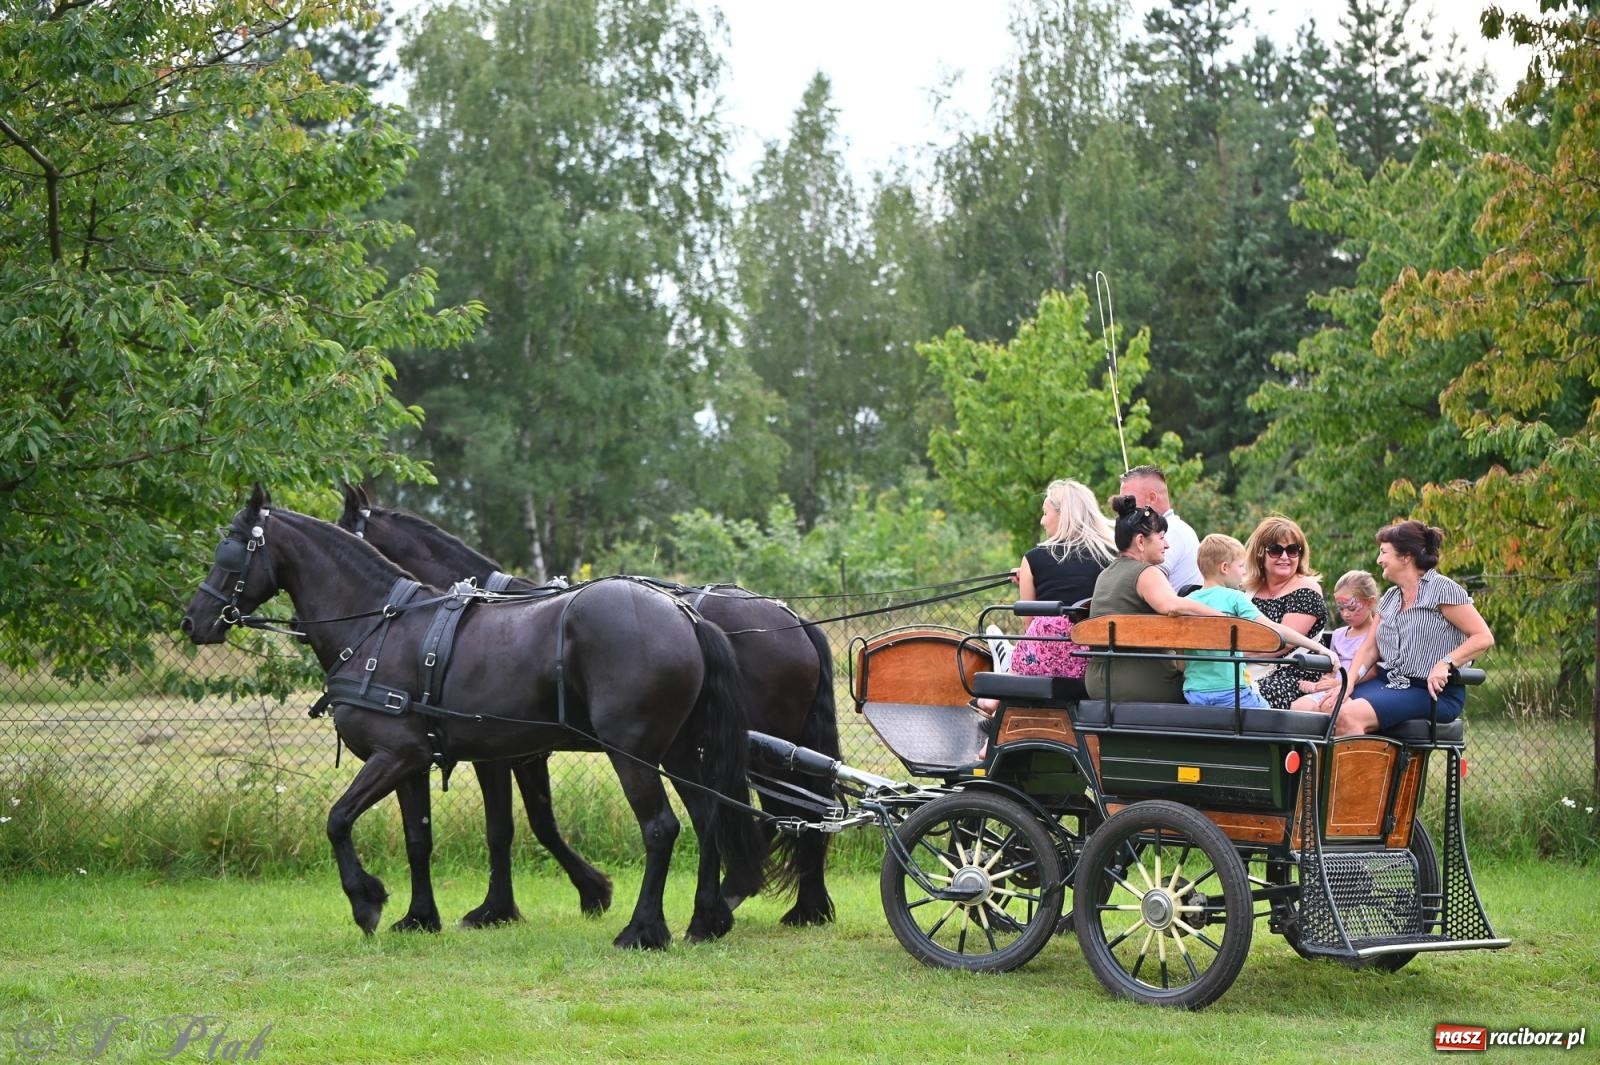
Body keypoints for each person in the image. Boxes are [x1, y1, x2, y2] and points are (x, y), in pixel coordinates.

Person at [1333, 521, 1494, 736]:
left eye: (1384, 552)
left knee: (1348, 716)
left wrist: (1445, 663)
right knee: (1328, 706)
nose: (1379, 560)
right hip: (1389, 682)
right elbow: (1370, 649)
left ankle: (1361, 771)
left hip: (1430, 691)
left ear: (1406, 556)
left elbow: (1483, 637)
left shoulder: (1442, 590)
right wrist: (1348, 682)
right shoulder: (1390, 598)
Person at [976, 480, 1114, 711]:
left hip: (1045, 658)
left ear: (1062, 514)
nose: (1042, 520)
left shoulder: (1034, 558)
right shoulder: (1111, 556)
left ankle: (1001, 683)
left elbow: (1029, 624)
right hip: (1095, 662)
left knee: (1040, 635)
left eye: (1045, 512)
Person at [1085, 495, 1222, 704]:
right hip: (1141, 683)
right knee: (1210, 688)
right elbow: (1171, 605)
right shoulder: (1146, 573)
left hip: (1098, 682)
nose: (1166, 545)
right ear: (1141, 541)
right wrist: (1224, 618)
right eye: (1161, 537)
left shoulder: (1106, 573)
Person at [1184, 534, 1330, 709]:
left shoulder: (1188, 600)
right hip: (1231, 691)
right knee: (1270, 723)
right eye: (1240, 566)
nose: (1244, 572)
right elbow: (1274, 630)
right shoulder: (1235, 598)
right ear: (1225, 568)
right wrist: (1320, 648)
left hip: (1193, 692)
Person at [1243, 516, 1328, 709]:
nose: (1284, 557)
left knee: (1248, 697)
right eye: (1275, 550)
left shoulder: (1307, 589)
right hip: (1248, 668)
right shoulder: (1247, 590)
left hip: (1296, 672)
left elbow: (1281, 643)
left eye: (1292, 550)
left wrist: (1229, 651)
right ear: (1260, 554)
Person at [1290, 570, 1380, 712]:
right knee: (1300, 706)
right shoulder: (1338, 635)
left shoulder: (1375, 634)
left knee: (1329, 707)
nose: (1345, 614)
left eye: (1351, 608)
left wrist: (1339, 683)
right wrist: (1318, 685)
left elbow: (1372, 672)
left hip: (1358, 688)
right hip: (1332, 687)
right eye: (1341, 608)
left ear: (1370, 602)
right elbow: (1331, 669)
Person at [1120, 464, 1201, 594]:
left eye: (1129, 502)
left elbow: (1145, 587)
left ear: (1152, 498)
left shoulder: (1173, 531)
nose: (1123, 508)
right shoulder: (1172, 529)